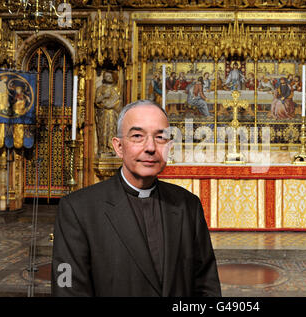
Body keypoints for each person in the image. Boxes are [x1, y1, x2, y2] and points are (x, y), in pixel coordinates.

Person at [52, 100, 221, 296]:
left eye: (160, 138)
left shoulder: (187, 205)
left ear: (169, 147)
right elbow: (68, 289)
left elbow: (206, 282)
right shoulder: (78, 209)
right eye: (138, 136)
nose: (150, 147)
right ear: (119, 146)